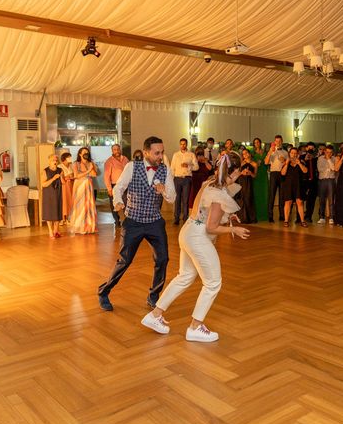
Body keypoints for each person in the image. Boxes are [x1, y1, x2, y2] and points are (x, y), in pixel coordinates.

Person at [141, 153, 249, 342]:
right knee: (213, 282)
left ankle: (154, 315)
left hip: (188, 231)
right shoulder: (217, 193)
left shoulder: (209, 183)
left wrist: (229, 216)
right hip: (198, 236)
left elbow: (206, 211)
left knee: (185, 276)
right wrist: (234, 229)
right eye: (239, 172)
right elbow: (211, 227)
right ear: (232, 173)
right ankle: (195, 327)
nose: (240, 175)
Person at [98, 136, 176, 311]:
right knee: (125, 260)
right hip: (133, 221)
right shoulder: (132, 166)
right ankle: (104, 292)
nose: (160, 156)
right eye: (157, 153)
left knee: (162, 259)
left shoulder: (165, 170)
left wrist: (164, 191)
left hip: (155, 222)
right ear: (146, 152)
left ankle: (153, 296)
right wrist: (118, 201)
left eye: (162, 152)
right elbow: (118, 187)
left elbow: (172, 198)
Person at [70, 147, 98, 234]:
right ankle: (80, 227)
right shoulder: (76, 163)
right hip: (79, 186)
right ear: (80, 154)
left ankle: (89, 227)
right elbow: (76, 175)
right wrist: (88, 171)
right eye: (84, 152)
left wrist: (92, 168)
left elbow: (94, 174)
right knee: (80, 205)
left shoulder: (90, 163)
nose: (86, 153)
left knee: (88, 206)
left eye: (87, 152)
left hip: (88, 185)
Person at [171, 138, 198, 225]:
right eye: (181, 144)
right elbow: (172, 168)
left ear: (187, 144)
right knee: (177, 199)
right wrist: (171, 180)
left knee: (185, 200)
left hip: (187, 179)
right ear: (179, 145)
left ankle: (185, 218)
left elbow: (197, 167)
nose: (183, 145)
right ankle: (176, 218)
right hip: (177, 179)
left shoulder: (191, 155)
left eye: (184, 144)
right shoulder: (175, 155)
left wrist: (189, 165)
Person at [281, 147, 308, 227]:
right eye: (292, 153)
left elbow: (305, 171)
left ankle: (302, 221)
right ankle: (286, 220)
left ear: (298, 154)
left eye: (295, 153)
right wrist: (286, 163)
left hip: (298, 185)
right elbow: (282, 173)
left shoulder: (301, 162)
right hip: (288, 185)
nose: (294, 154)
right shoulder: (286, 163)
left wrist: (299, 163)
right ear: (289, 154)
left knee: (299, 202)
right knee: (288, 202)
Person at [104, 144, 129, 227]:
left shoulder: (125, 159)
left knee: (127, 203)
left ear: (120, 150)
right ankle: (117, 221)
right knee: (115, 205)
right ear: (112, 151)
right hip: (114, 185)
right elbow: (106, 176)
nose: (117, 151)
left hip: (125, 185)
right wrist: (109, 189)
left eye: (118, 149)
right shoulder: (109, 161)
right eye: (115, 149)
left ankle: (127, 221)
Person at [265, 135, 288, 222]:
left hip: (282, 174)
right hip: (274, 173)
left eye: (279, 141)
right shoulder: (271, 152)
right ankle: (270, 216)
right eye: (276, 141)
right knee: (272, 195)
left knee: (282, 196)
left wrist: (285, 161)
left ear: (282, 141)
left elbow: (288, 164)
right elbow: (266, 162)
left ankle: (282, 215)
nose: (278, 142)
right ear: (274, 142)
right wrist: (270, 152)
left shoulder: (285, 152)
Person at [41, 154, 63, 238]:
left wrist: (64, 178)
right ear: (49, 161)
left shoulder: (60, 170)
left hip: (58, 193)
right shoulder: (45, 171)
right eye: (53, 160)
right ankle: (50, 231)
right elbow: (43, 184)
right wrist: (53, 178)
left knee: (57, 212)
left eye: (56, 160)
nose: (55, 162)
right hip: (49, 194)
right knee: (49, 213)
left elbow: (63, 182)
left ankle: (56, 230)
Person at [317, 145, 336, 225]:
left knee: (331, 199)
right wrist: (328, 169)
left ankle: (331, 217)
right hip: (322, 180)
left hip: (331, 180)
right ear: (324, 151)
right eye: (327, 152)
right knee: (322, 199)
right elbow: (319, 169)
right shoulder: (320, 158)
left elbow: (334, 168)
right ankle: (322, 217)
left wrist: (329, 160)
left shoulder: (334, 159)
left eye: (330, 152)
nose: (329, 154)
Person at [300, 142, 318, 223]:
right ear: (306, 148)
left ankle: (308, 216)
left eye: (312, 148)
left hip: (313, 181)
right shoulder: (301, 157)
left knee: (311, 200)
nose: (310, 150)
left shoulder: (316, 159)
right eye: (309, 148)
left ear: (314, 149)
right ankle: (299, 216)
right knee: (301, 199)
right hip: (304, 181)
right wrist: (304, 160)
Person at [237, 148, 257, 223]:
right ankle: (242, 218)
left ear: (249, 154)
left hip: (249, 182)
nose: (245, 155)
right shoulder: (241, 163)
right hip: (241, 181)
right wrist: (242, 172)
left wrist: (250, 173)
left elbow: (255, 175)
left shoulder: (254, 164)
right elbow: (237, 173)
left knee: (248, 198)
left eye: (246, 153)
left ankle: (251, 218)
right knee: (242, 199)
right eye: (243, 154)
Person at [251, 137, 268, 222]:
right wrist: (255, 164)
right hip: (256, 174)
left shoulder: (265, 153)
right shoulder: (252, 153)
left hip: (264, 174)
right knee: (257, 194)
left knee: (265, 194)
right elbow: (249, 162)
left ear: (260, 143)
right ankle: (257, 215)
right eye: (255, 142)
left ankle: (265, 215)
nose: (257, 143)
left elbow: (268, 163)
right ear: (254, 144)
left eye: (258, 142)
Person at [58, 152, 74, 225]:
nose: (70, 159)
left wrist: (72, 176)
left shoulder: (71, 166)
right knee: (64, 200)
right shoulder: (60, 166)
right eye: (68, 157)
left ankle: (68, 217)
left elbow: (74, 175)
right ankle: (62, 218)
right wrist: (67, 176)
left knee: (70, 200)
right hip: (64, 186)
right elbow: (60, 177)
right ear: (64, 159)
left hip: (71, 184)